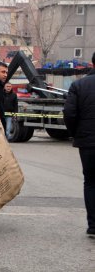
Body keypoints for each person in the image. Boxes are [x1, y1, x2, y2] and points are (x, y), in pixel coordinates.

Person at [63, 52, 95, 237]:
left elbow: (69, 114)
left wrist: (76, 134)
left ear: (92, 63)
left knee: (91, 182)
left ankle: (93, 225)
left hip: (88, 143)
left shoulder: (79, 85)